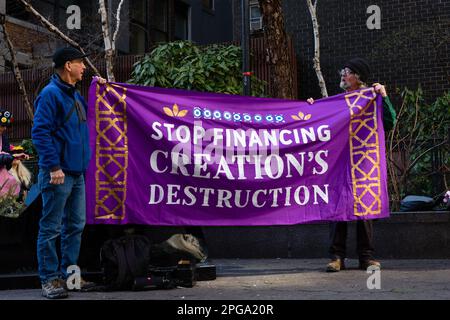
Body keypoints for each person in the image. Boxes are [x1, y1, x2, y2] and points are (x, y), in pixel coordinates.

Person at [307, 58, 396, 272]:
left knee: (365, 208)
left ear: (358, 77)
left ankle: (366, 258)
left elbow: (390, 122)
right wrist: (312, 108)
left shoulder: (371, 98)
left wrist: (383, 96)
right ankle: (337, 257)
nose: (342, 75)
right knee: (338, 207)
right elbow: (319, 123)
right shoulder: (337, 102)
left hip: (364, 161)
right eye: (343, 72)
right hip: (339, 162)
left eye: (346, 72)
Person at [32, 46, 106, 299]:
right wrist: (54, 166)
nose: (84, 67)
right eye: (80, 63)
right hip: (58, 173)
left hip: (76, 174)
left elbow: (90, 118)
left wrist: (102, 88)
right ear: (67, 65)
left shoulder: (74, 95)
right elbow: (40, 133)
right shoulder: (50, 95)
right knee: (51, 227)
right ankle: (50, 280)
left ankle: (71, 278)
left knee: (75, 226)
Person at [0, 109, 29, 198]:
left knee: (20, 176)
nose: (4, 128)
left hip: (3, 169)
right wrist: (12, 157)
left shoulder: (3, 137)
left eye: (6, 126)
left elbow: (6, 151)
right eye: (2, 125)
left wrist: (17, 154)